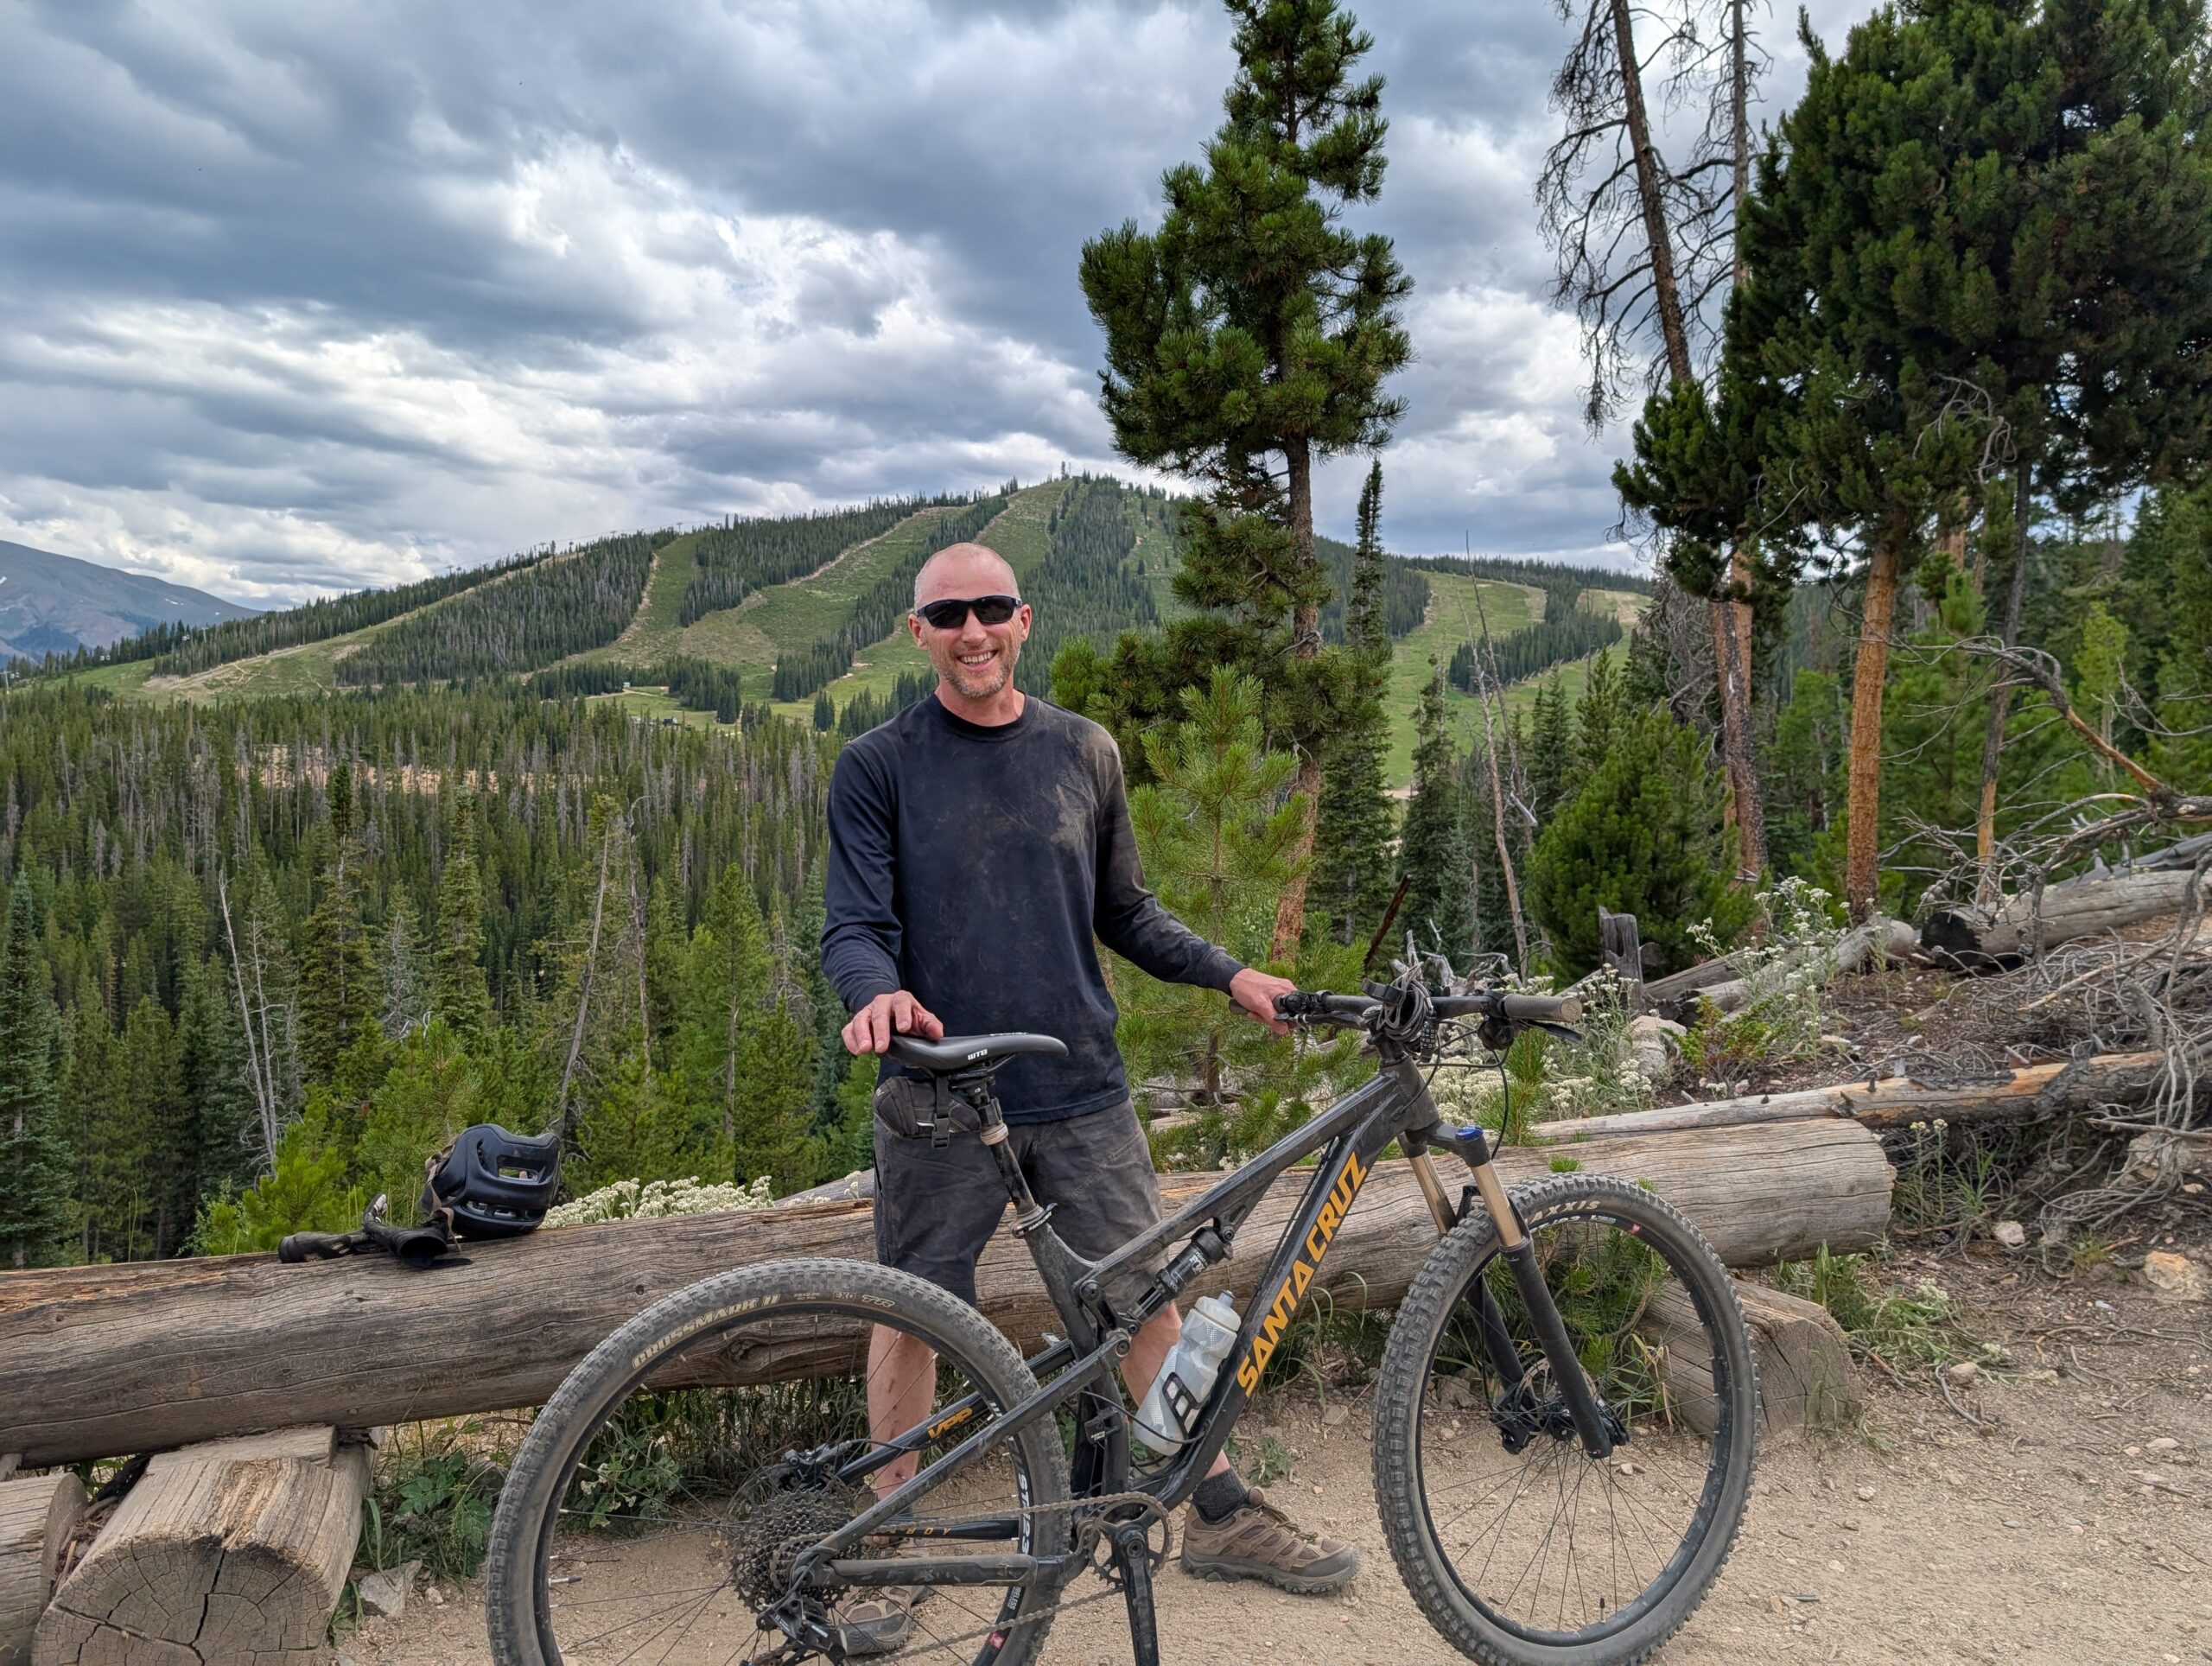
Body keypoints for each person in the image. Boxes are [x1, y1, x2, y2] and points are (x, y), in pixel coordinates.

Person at [821, 539, 1359, 1651]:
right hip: (938, 1093)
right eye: (949, 612)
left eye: (993, 608)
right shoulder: (877, 765)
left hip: (1080, 1085)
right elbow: (854, 926)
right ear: (916, 632)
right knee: (913, 1311)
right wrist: (877, 996)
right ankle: (885, 1533)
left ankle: (1212, 1510)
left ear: (1024, 620)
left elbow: (1126, 911)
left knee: (1145, 1307)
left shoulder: (1083, 750)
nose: (973, 629)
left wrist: (1230, 971)